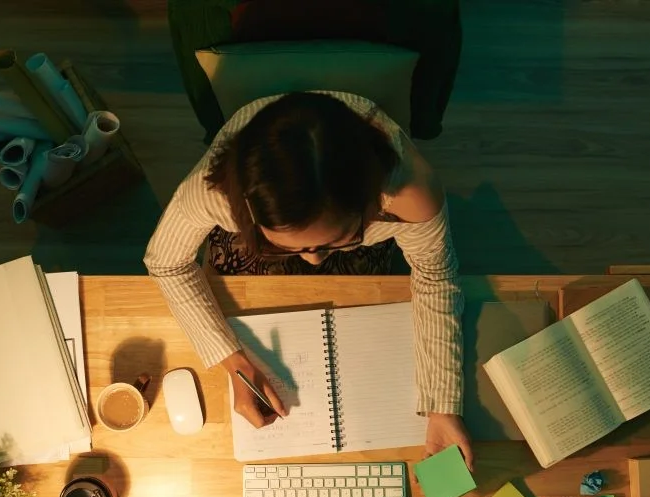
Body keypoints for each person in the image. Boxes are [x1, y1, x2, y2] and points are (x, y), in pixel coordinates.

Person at [144, 91, 473, 470]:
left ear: (369, 204)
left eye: (333, 241)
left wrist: (443, 406)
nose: (314, 260)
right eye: (292, 246)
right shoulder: (213, 192)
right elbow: (166, 262)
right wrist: (234, 363)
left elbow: (435, 276)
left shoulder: (408, 191)